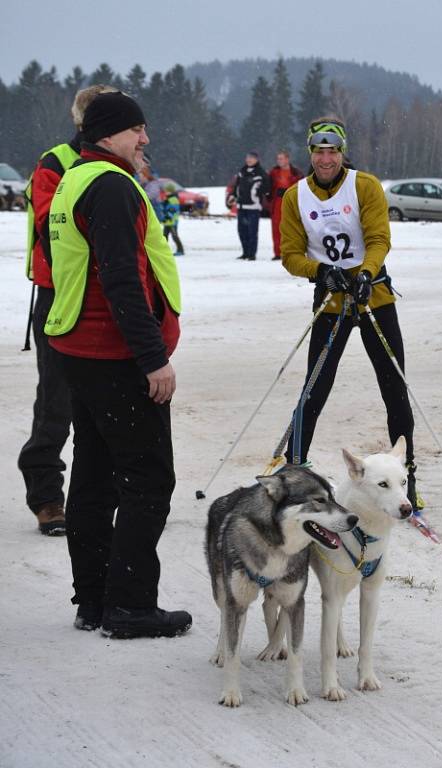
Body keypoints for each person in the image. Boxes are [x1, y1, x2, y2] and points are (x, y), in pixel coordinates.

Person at [44, 91, 192, 638]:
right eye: (137, 130)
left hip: (79, 351)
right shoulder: (109, 185)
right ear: (109, 133)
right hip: (115, 355)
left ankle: (95, 601)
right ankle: (129, 606)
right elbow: (122, 279)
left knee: (94, 477)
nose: (145, 139)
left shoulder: (75, 178)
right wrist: (154, 360)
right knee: (148, 480)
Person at [280, 117, 420, 510]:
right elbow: (291, 255)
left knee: (394, 387)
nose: (326, 159)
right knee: (315, 385)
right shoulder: (295, 197)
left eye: (333, 151)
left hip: (373, 297)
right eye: (319, 152)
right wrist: (321, 271)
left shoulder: (364, 186)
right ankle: (294, 469)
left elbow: (379, 238)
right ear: (310, 153)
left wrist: (366, 273)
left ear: (342, 153)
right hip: (331, 301)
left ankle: (408, 478)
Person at [18, 83, 115, 536]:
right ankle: (46, 496)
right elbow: (52, 228)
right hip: (62, 297)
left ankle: (106, 493)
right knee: (57, 399)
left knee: (110, 400)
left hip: (110, 295)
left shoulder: (120, 161)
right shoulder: (55, 162)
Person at [227, 151, 270, 260]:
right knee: (242, 231)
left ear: (257, 159)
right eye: (247, 158)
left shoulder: (261, 172)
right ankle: (245, 252)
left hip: (254, 207)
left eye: (251, 158)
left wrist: (257, 192)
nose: (249, 160)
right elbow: (236, 187)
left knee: (252, 232)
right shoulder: (242, 171)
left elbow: (267, 187)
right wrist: (233, 196)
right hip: (241, 206)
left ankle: (252, 254)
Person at [268, 150, 303, 261]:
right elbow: (267, 186)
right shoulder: (273, 172)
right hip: (277, 204)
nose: (279, 161)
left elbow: (301, 187)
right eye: (278, 159)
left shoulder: (296, 172)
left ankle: (292, 251)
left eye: (281, 158)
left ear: (287, 159)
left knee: (291, 229)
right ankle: (278, 253)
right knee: (276, 229)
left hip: (291, 203)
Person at [162, 183, 184, 256]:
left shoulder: (173, 199)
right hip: (167, 222)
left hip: (172, 222)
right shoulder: (168, 198)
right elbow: (165, 208)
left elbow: (173, 209)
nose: (165, 192)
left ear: (171, 191)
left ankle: (180, 250)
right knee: (164, 237)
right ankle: (163, 250)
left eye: (167, 191)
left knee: (174, 236)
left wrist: (168, 216)